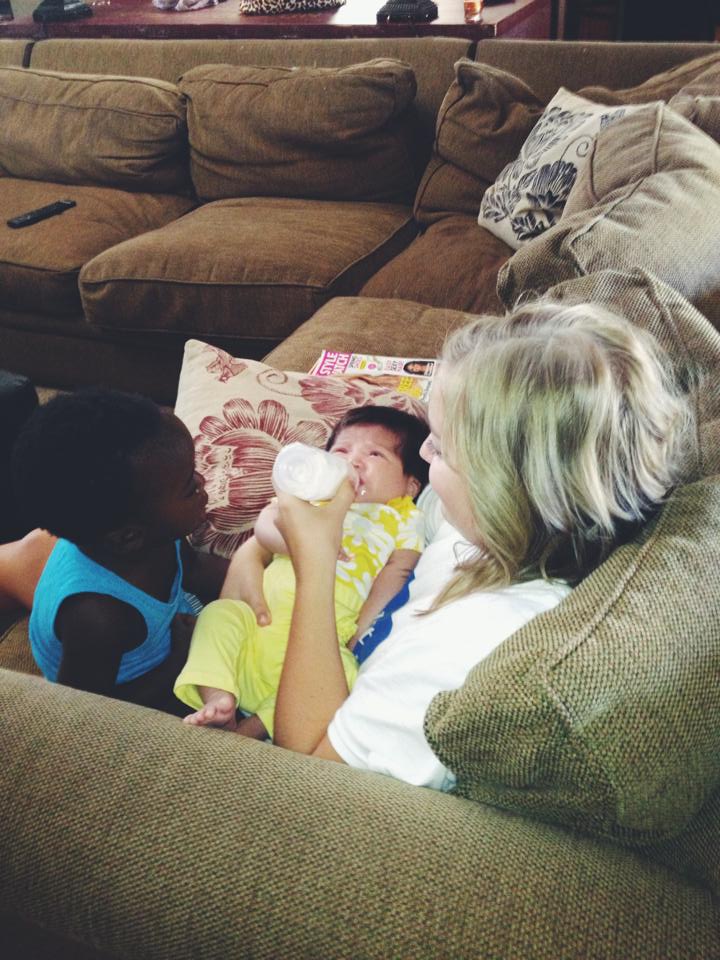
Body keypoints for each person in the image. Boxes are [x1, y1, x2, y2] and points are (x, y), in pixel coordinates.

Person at [243, 301, 694, 789]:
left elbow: (308, 765)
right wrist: (252, 550)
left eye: (439, 447)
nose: (422, 453)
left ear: (499, 488)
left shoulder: (472, 644)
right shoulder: (509, 528)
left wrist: (315, 558)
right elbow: (414, 504)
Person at [174, 405, 429, 739]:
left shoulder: (402, 517)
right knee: (218, 615)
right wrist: (299, 545)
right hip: (258, 620)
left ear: (410, 486)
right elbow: (266, 524)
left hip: (327, 633)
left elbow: (399, 569)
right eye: (342, 451)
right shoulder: (312, 496)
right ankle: (219, 699)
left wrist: (364, 626)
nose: (353, 462)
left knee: (348, 674)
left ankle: (251, 729)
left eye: (374, 454)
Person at [9, 388, 228, 714]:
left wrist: (266, 576)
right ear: (129, 537)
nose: (202, 482)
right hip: (131, 685)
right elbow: (89, 708)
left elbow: (194, 568)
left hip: (168, 633)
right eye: (188, 487)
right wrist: (181, 657)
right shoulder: (97, 616)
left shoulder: (152, 532)